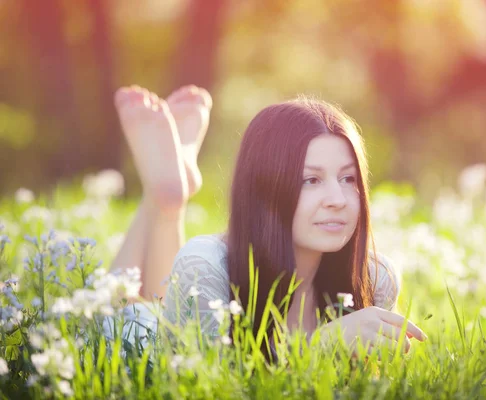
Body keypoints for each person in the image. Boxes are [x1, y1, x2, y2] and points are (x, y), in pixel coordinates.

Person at [109, 84, 427, 358]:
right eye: (311, 180)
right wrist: (320, 345)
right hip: (138, 342)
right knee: (112, 311)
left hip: (178, 316)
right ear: (265, 188)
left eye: (348, 179)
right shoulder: (204, 264)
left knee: (165, 300)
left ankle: (166, 196)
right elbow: (203, 385)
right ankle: (164, 198)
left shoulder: (374, 279)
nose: (338, 199)